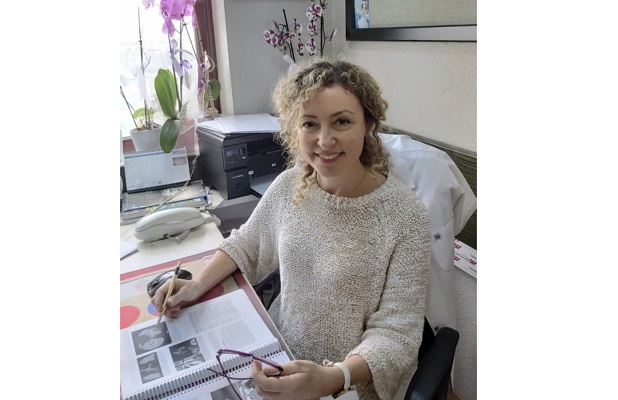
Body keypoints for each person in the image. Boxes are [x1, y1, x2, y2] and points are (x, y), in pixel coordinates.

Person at [153, 59, 431, 400]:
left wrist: (333, 377)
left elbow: (397, 335)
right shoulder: (290, 186)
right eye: (309, 123)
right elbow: (248, 244)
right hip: (276, 354)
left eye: (342, 121)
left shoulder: (406, 216)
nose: (324, 140)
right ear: (293, 129)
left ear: (368, 125)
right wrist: (197, 284)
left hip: (346, 384)